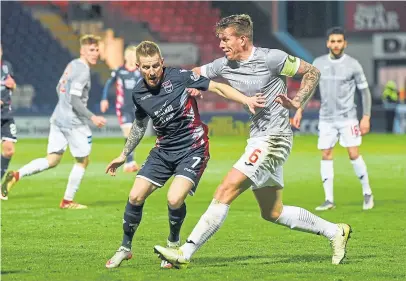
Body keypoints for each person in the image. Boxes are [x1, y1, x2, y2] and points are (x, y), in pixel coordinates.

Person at [154, 14, 352, 268]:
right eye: (220, 40)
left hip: (275, 138)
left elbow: (312, 71)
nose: (221, 45)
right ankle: (335, 231)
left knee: (225, 190)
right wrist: (194, 87)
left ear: (243, 39)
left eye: (226, 39)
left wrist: (297, 101)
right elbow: (194, 73)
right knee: (272, 212)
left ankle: (185, 252)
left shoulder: (272, 58)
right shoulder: (223, 65)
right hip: (258, 137)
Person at [104, 40, 265, 269]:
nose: (151, 72)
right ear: (138, 66)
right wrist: (124, 154)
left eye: (155, 66)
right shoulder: (139, 92)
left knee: (174, 198)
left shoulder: (179, 76)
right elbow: (140, 126)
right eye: (146, 67)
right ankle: (125, 249)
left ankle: (173, 244)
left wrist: (246, 99)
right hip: (163, 150)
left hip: (193, 147)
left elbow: (217, 87)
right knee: (135, 196)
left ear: (162, 63)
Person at [1, 35, 107, 208]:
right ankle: (67, 201)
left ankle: (17, 175)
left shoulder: (72, 65)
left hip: (58, 118)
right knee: (82, 161)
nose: (95, 53)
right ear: (82, 51)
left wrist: (63, 107)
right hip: (73, 122)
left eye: (96, 50)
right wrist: (92, 117)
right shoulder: (83, 70)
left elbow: (59, 88)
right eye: (91, 50)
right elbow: (74, 99)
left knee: (52, 160)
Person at [292, 27, 374, 211]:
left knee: (353, 153)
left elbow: (365, 92)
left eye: (339, 41)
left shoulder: (353, 64)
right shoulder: (318, 63)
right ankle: (329, 200)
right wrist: (299, 110)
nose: (336, 44)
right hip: (326, 118)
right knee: (326, 154)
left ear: (345, 43)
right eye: (333, 41)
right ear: (328, 43)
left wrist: (366, 116)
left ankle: (367, 193)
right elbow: (310, 89)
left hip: (348, 118)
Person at [100, 45, 141, 172]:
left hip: (137, 108)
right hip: (123, 107)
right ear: (125, 56)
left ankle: (129, 162)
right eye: (129, 55)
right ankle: (129, 162)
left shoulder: (140, 72)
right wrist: (104, 99)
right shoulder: (119, 71)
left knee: (134, 135)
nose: (131, 57)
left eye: (133, 55)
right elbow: (108, 84)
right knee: (128, 133)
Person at [0, 43, 17, 200]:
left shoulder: (7, 66)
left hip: (6, 115)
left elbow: (12, 86)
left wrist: (12, 85)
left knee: (9, 150)